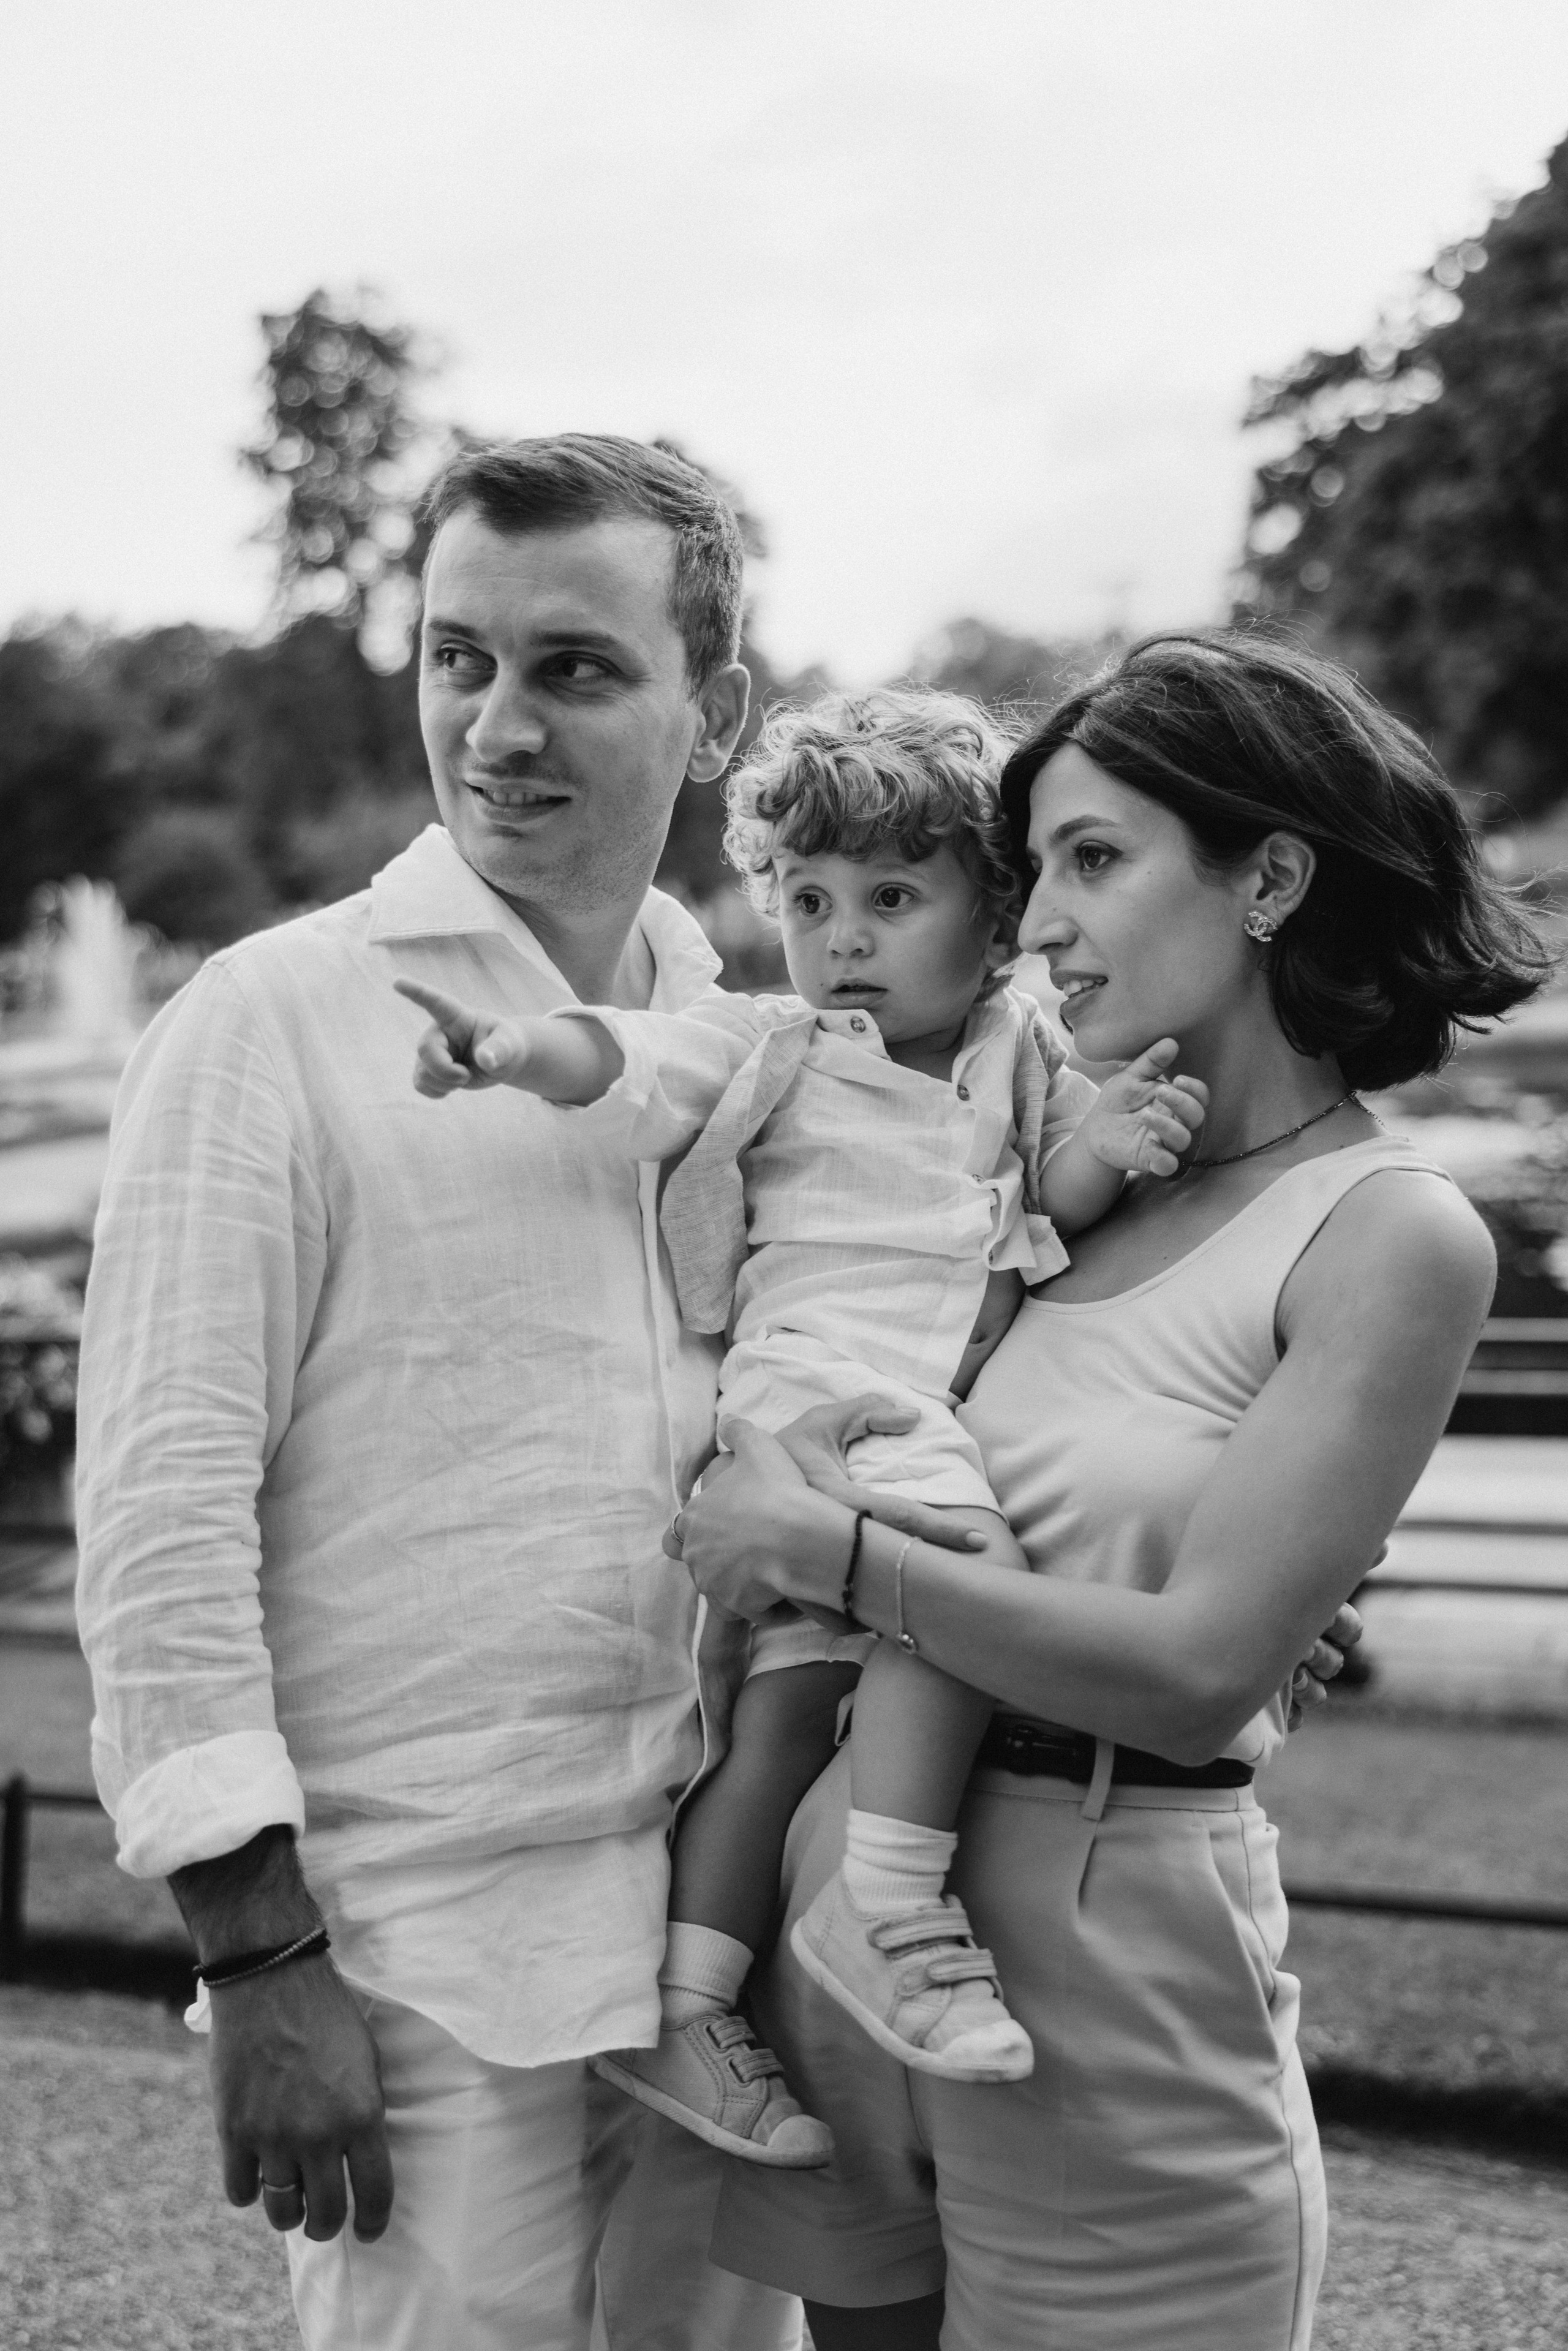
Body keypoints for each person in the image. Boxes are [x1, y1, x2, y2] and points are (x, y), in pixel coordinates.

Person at [664, 632, 1550, 2351]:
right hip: (840, 1891)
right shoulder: (1057, 1177)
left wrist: (823, 1543)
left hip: (1106, 1937)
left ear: (1273, 876)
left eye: (1092, 859)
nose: (1036, 916)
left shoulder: (1387, 1226)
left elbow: (1198, 1663)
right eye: (1032, 866)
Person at [73, 435, 805, 2351]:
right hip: (411, 1948)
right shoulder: (270, 1019)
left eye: (574, 667)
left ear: (713, 714)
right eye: (458, 656)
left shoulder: (740, 1048)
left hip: (713, 1955)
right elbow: (158, 1510)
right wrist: (261, 1954)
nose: (497, 722)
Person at [394, 687, 1208, 2162]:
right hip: (818, 1393)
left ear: (995, 906)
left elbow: (1040, 1203)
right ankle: (887, 1902)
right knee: (964, 1571)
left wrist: (1105, 1145)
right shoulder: (777, 1043)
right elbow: (632, 1063)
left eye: (893, 896)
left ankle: (684, 1999)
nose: (841, 935)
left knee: (782, 1713)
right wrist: (514, 1051)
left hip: (900, 1406)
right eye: (810, 896)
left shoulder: (1016, 1055)